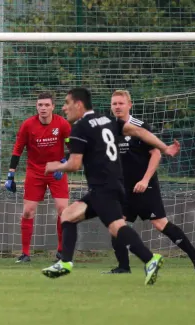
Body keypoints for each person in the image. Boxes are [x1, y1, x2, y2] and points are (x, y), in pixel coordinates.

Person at [41, 87, 180, 285]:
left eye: (66, 103)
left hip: (103, 188)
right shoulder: (106, 120)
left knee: (117, 227)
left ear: (78, 105)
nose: (63, 108)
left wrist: (57, 166)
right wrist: (165, 148)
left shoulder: (81, 127)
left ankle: (150, 259)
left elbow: (74, 164)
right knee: (68, 215)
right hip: (113, 185)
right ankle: (65, 262)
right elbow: (139, 131)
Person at [103, 90, 195, 274]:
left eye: (121, 103)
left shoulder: (140, 126)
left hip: (145, 185)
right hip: (123, 186)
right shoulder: (110, 128)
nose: (117, 107)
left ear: (129, 105)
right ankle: (123, 267)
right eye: (114, 104)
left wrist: (145, 179)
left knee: (160, 224)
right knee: (116, 225)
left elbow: (156, 153)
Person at [5, 92, 71, 263]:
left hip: (56, 171)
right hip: (35, 172)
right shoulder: (28, 125)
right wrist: (10, 175)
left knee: (63, 210)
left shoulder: (62, 124)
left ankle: (61, 250)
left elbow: (74, 148)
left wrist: (63, 164)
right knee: (28, 211)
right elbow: (17, 149)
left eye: (46, 105)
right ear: (36, 107)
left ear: (53, 107)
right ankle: (25, 254)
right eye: (40, 105)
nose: (43, 108)